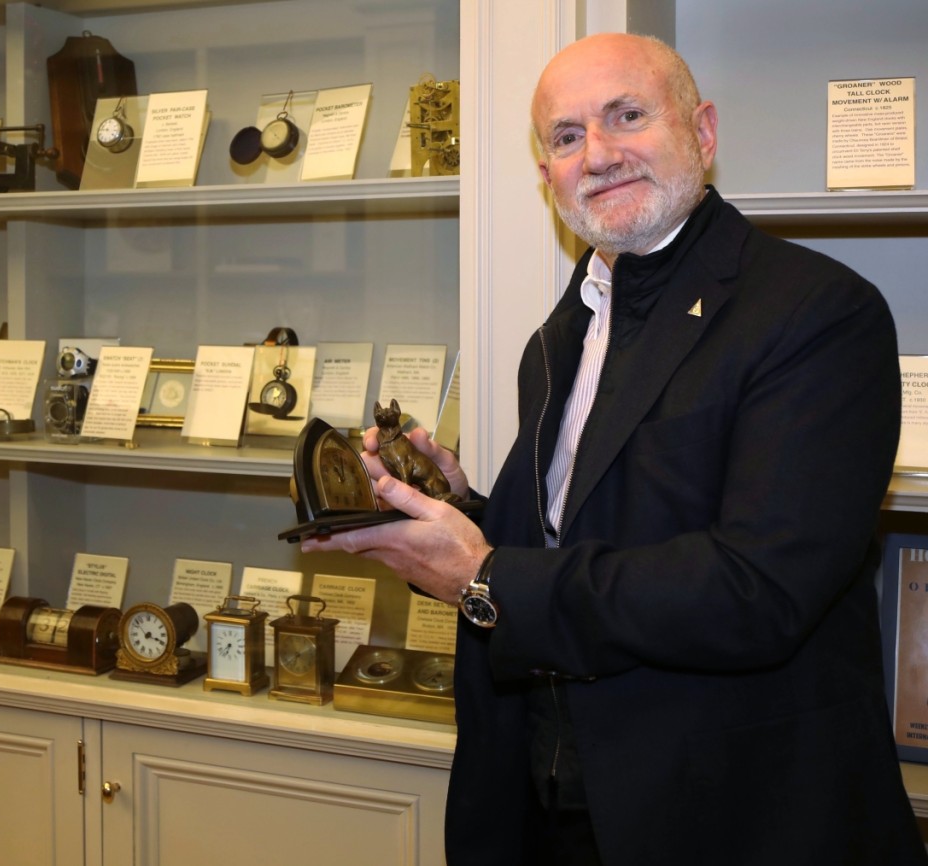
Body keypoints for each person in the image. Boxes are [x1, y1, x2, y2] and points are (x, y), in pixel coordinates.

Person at [301, 32, 928, 865]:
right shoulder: (562, 334)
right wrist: (461, 519)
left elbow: (758, 590)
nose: (596, 154)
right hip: (550, 798)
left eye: (625, 116)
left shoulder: (817, 314)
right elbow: (593, 541)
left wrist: (485, 576)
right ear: (546, 174)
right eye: (565, 137)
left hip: (728, 814)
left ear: (701, 132)